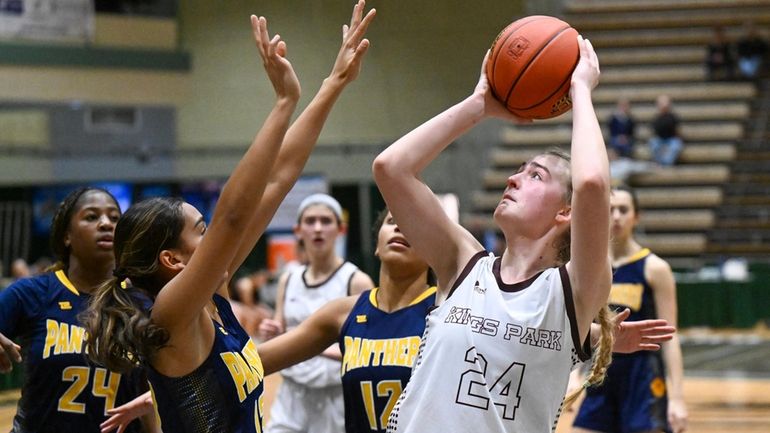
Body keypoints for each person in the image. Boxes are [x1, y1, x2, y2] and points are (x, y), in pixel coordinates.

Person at [81, 3, 375, 432]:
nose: (215, 235)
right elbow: (233, 218)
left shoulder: (210, 295)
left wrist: (333, 83)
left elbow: (278, 179)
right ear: (172, 260)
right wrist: (282, 102)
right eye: (202, 230)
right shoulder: (172, 314)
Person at [372, 35, 613, 432]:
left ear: (565, 212)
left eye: (535, 175)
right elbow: (390, 168)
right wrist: (478, 106)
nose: (513, 178)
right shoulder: (463, 264)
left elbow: (591, 184)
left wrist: (580, 91)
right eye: (518, 169)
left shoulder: (573, 291)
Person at [0, 187, 157, 433]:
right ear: (67, 236)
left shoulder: (142, 305)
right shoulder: (32, 293)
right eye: (92, 217)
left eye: (115, 218)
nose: (106, 223)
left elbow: (153, 394)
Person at [572, 185, 688, 433]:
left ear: (636, 217)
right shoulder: (591, 267)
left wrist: (677, 398)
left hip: (642, 375)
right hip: (602, 371)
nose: (616, 217)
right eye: (610, 209)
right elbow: (580, 327)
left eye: (623, 210)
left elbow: (671, 336)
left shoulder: (655, 268)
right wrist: (574, 373)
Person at [258, 193, 374, 433]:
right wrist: (272, 331)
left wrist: (314, 346)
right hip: (291, 394)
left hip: (335, 397)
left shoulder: (356, 281)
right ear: (298, 230)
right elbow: (280, 329)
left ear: (340, 229)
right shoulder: (288, 278)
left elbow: (371, 349)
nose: (318, 228)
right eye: (310, 222)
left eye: (326, 221)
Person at [648, 94, 683, 166]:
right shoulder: (656, 118)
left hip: (671, 140)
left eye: (665, 103)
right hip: (659, 140)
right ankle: (660, 163)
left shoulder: (673, 117)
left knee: (676, 145)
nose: (664, 106)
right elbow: (653, 132)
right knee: (653, 143)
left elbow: (677, 131)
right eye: (661, 103)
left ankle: (666, 164)